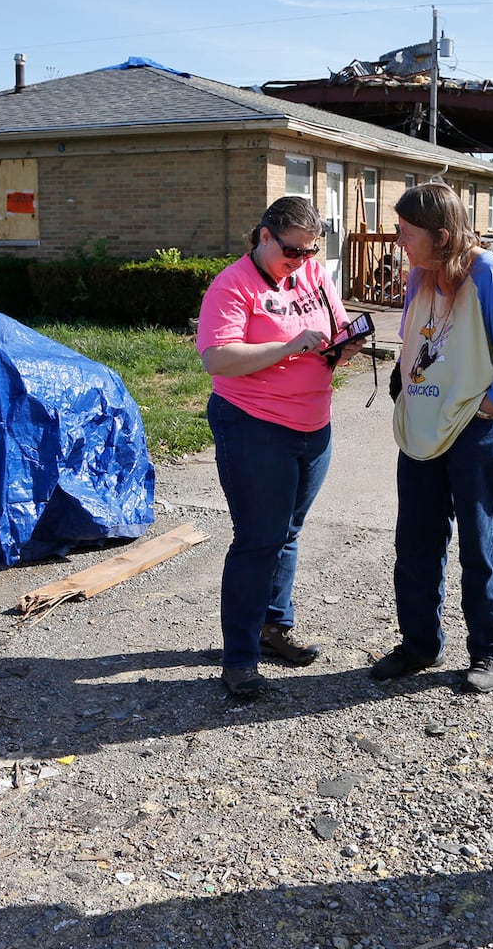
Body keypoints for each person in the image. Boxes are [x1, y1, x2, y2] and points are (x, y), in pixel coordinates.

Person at [371, 181, 493, 693]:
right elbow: (415, 340)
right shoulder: (419, 275)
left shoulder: (488, 273)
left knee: (479, 547)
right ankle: (419, 645)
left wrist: (491, 409)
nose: (399, 239)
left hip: (479, 433)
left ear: (441, 235)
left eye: (407, 231)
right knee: (416, 544)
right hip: (425, 429)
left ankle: (489, 650)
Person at [196, 196, 366, 698]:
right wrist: (291, 347)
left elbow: (332, 325)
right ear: (264, 235)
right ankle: (239, 661)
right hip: (254, 425)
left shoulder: (312, 275)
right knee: (258, 540)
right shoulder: (233, 284)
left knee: (287, 532)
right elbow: (218, 359)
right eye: (293, 251)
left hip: (313, 424)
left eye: (311, 252)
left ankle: (273, 629)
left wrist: (345, 342)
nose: (302, 262)